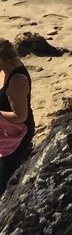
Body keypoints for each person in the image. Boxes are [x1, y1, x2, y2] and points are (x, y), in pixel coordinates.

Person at [0, 39, 34, 196]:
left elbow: (20, 116)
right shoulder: (7, 67)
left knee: (5, 178)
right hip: (6, 129)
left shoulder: (17, 81)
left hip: (17, 133)